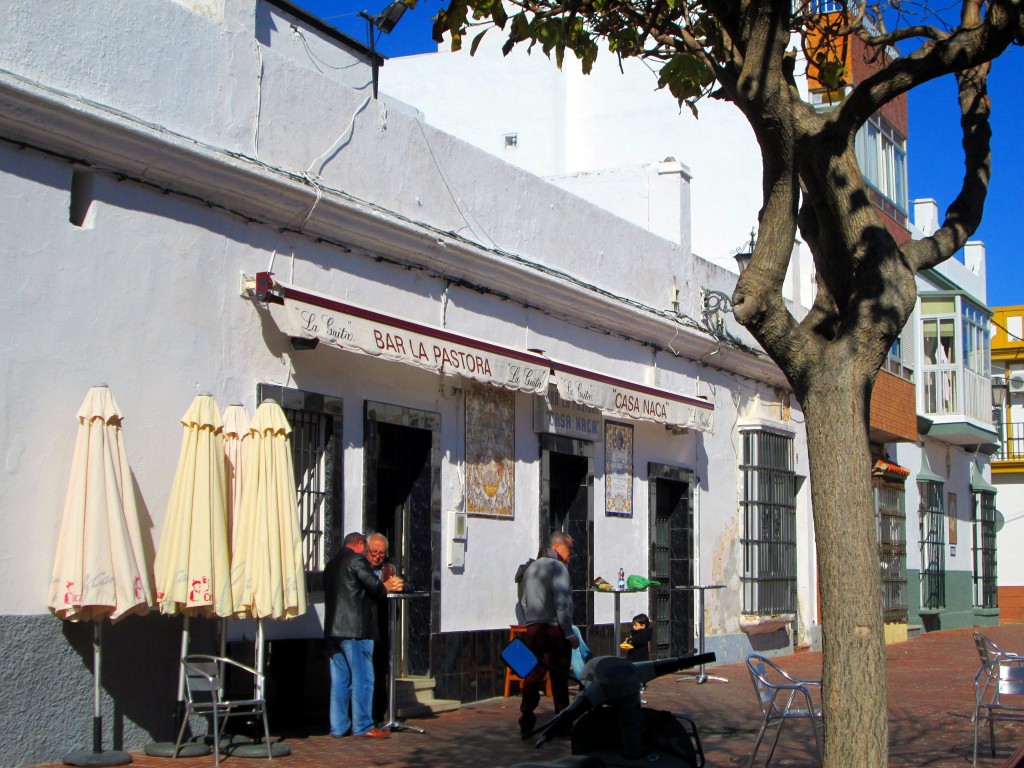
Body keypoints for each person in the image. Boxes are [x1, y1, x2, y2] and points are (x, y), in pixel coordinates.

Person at [323, 531, 403, 739]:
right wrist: (387, 586)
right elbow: (375, 586)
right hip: (355, 629)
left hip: (333, 630)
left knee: (340, 679)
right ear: (360, 544)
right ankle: (363, 725)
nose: (369, 554)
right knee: (363, 678)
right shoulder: (356, 560)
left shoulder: (331, 564)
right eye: (367, 549)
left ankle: (339, 726)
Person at [517, 530, 579, 738]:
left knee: (533, 673)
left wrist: (531, 621)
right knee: (559, 676)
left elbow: (524, 602)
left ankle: (526, 716)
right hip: (553, 629)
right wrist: (569, 633)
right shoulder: (558, 568)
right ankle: (562, 721)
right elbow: (562, 603)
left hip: (533, 628)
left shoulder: (531, 567)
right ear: (556, 547)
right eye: (569, 549)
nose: (570, 554)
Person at [366, 532, 399, 726]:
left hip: (383, 625)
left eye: (381, 553)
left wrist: (399, 585)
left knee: (379, 670)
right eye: (374, 552)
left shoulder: (389, 568)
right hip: (365, 626)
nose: (377, 556)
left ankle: (379, 712)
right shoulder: (360, 568)